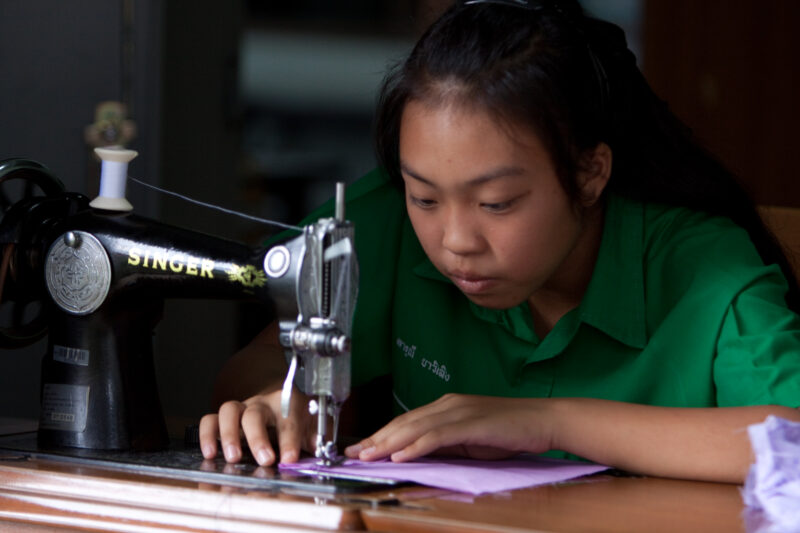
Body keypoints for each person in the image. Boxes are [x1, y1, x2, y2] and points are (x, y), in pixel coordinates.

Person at [199, 0, 800, 483]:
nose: (455, 240)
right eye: (425, 197)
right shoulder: (381, 224)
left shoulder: (706, 271)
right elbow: (263, 361)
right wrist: (277, 405)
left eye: (496, 204)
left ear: (590, 173)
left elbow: (792, 441)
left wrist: (548, 422)